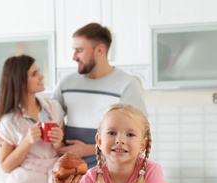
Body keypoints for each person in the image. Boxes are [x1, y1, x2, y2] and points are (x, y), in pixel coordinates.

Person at [51, 103, 168, 183]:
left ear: (142, 145)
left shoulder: (152, 171)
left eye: (130, 134)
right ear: (99, 141)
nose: (120, 140)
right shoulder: (91, 177)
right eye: (112, 133)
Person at [52, 22, 147, 169]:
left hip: (111, 175)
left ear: (100, 50)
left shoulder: (127, 85)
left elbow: (139, 137)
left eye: (79, 50)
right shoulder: (66, 83)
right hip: (72, 175)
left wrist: (89, 149)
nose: (74, 57)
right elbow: (51, 118)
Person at [0, 55, 65, 183]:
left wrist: (58, 142)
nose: (41, 76)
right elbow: (6, 166)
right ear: (21, 82)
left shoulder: (53, 109)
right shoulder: (9, 121)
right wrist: (26, 142)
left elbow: (62, 152)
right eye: (34, 73)